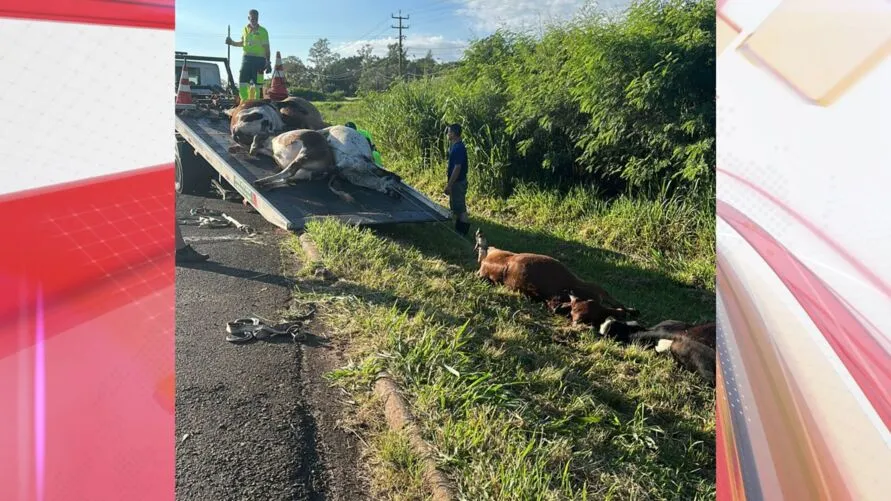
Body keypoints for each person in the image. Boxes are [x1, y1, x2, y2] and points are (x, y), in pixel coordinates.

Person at [225, 9, 272, 102]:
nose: (254, 20)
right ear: (248, 18)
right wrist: (231, 42)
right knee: (242, 82)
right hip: (246, 59)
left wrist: (268, 62)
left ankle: (258, 104)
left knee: (258, 84)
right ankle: (244, 104)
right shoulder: (245, 29)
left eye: (256, 18)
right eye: (252, 18)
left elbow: (267, 48)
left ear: (258, 18)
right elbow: (243, 43)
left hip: (259, 61)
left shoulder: (263, 31)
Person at [444, 123, 470, 236]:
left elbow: (457, 167)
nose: (447, 134)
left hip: (458, 183)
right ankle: (458, 230)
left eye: (448, 132)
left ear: (453, 134)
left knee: (461, 208)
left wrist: (449, 185)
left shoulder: (459, 148)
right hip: (455, 182)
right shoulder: (454, 146)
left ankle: (463, 233)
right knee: (456, 207)